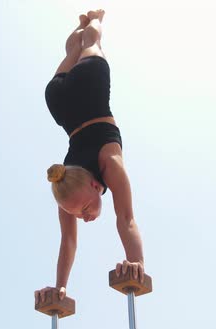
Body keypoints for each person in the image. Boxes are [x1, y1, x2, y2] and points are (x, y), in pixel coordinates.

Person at [35, 9, 146, 305]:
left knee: (92, 42)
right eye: (80, 213)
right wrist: (60, 288)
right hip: (59, 104)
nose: (83, 218)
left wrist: (137, 265)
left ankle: (96, 19)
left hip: (90, 86)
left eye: (82, 210)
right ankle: (84, 24)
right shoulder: (65, 190)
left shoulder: (109, 164)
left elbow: (127, 219)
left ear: (97, 187)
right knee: (77, 47)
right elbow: (68, 241)